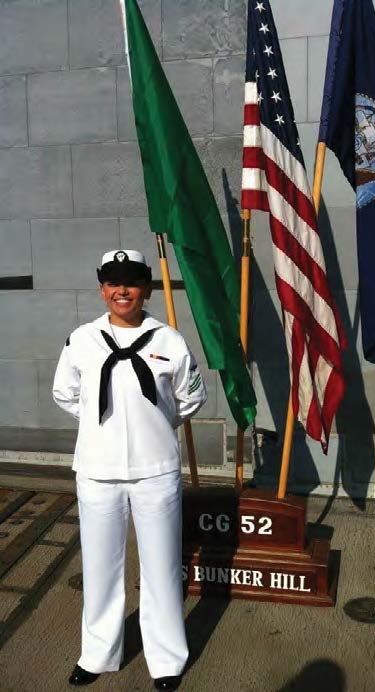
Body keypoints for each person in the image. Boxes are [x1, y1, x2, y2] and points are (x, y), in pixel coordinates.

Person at [53, 250, 207, 690]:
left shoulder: (169, 341)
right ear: (103, 288)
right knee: (100, 570)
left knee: (161, 570)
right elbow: (66, 394)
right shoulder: (81, 339)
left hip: (154, 473)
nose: (122, 290)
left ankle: (166, 661)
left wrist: (152, 428)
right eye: (113, 282)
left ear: (148, 289)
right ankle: (98, 654)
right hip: (97, 473)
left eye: (132, 282)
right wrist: (106, 430)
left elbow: (190, 398)